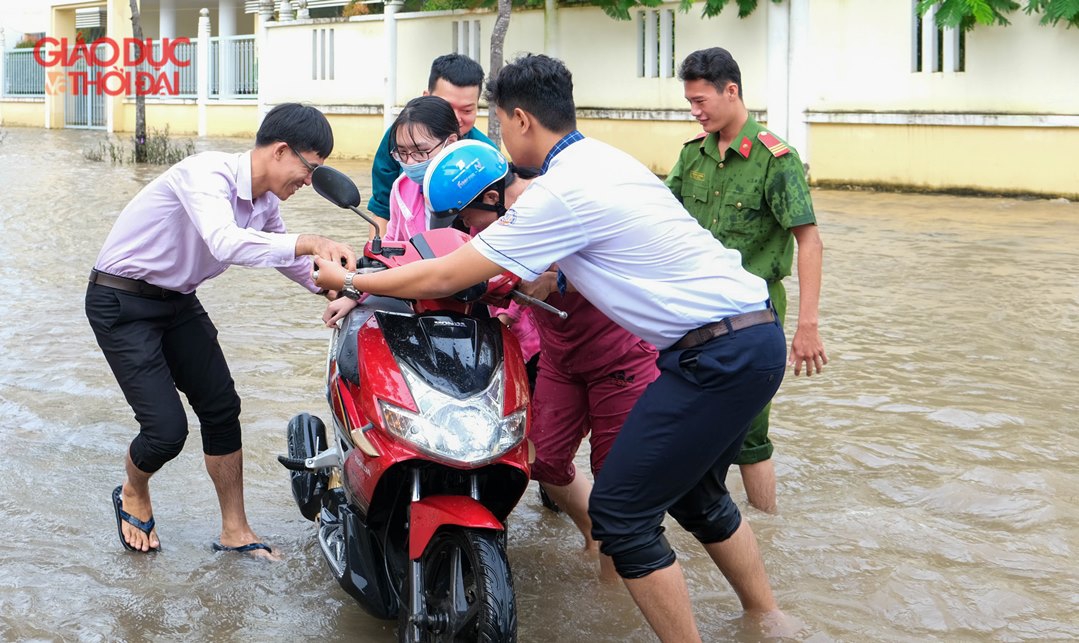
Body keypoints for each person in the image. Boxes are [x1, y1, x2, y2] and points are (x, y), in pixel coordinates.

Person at [313, 54, 789, 641]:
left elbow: (446, 274)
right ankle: (766, 617)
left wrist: (352, 282)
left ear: (519, 120)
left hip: (711, 353)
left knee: (620, 515)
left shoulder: (556, 193)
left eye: (494, 119)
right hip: (745, 338)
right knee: (694, 495)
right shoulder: (603, 159)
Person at [86, 103, 356, 558]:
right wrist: (311, 240)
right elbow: (225, 240)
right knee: (166, 432)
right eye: (308, 169)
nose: (308, 182)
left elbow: (287, 259)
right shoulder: (206, 175)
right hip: (121, 300)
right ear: (281, 151)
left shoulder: (265, 203)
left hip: (177, 299)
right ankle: (134, 488)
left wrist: (346, 287)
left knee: (221, 407)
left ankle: (236, 529)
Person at [444, 152, 659, 580]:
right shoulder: (498, 223)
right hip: (562, 357)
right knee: (541, 459)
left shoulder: (558, 203)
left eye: (471, 219)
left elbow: (625, 254)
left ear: (491, 197)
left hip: (619, 355)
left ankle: (613, 589)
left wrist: (556, 276)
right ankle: (596, 537)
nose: (471, 230)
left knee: (616, 484)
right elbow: (452, 272)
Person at [666, 47, 827, 513]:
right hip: (693, 307)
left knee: (751, 433)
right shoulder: (692, 155)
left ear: (731, 90)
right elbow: (659, 218)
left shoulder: (776, 159)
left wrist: (808, 325)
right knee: (689, 419)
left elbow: (809, 241)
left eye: (701, 102)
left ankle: (767, 529)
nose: (695, 113)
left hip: (755, 311)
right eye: (690, 103)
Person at [367, 53, 496, 235]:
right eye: (447, 108)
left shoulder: (486, 156)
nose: (456, 119)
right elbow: (382, 210)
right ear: (426, 98)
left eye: (467, 110)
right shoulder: (399, 140)